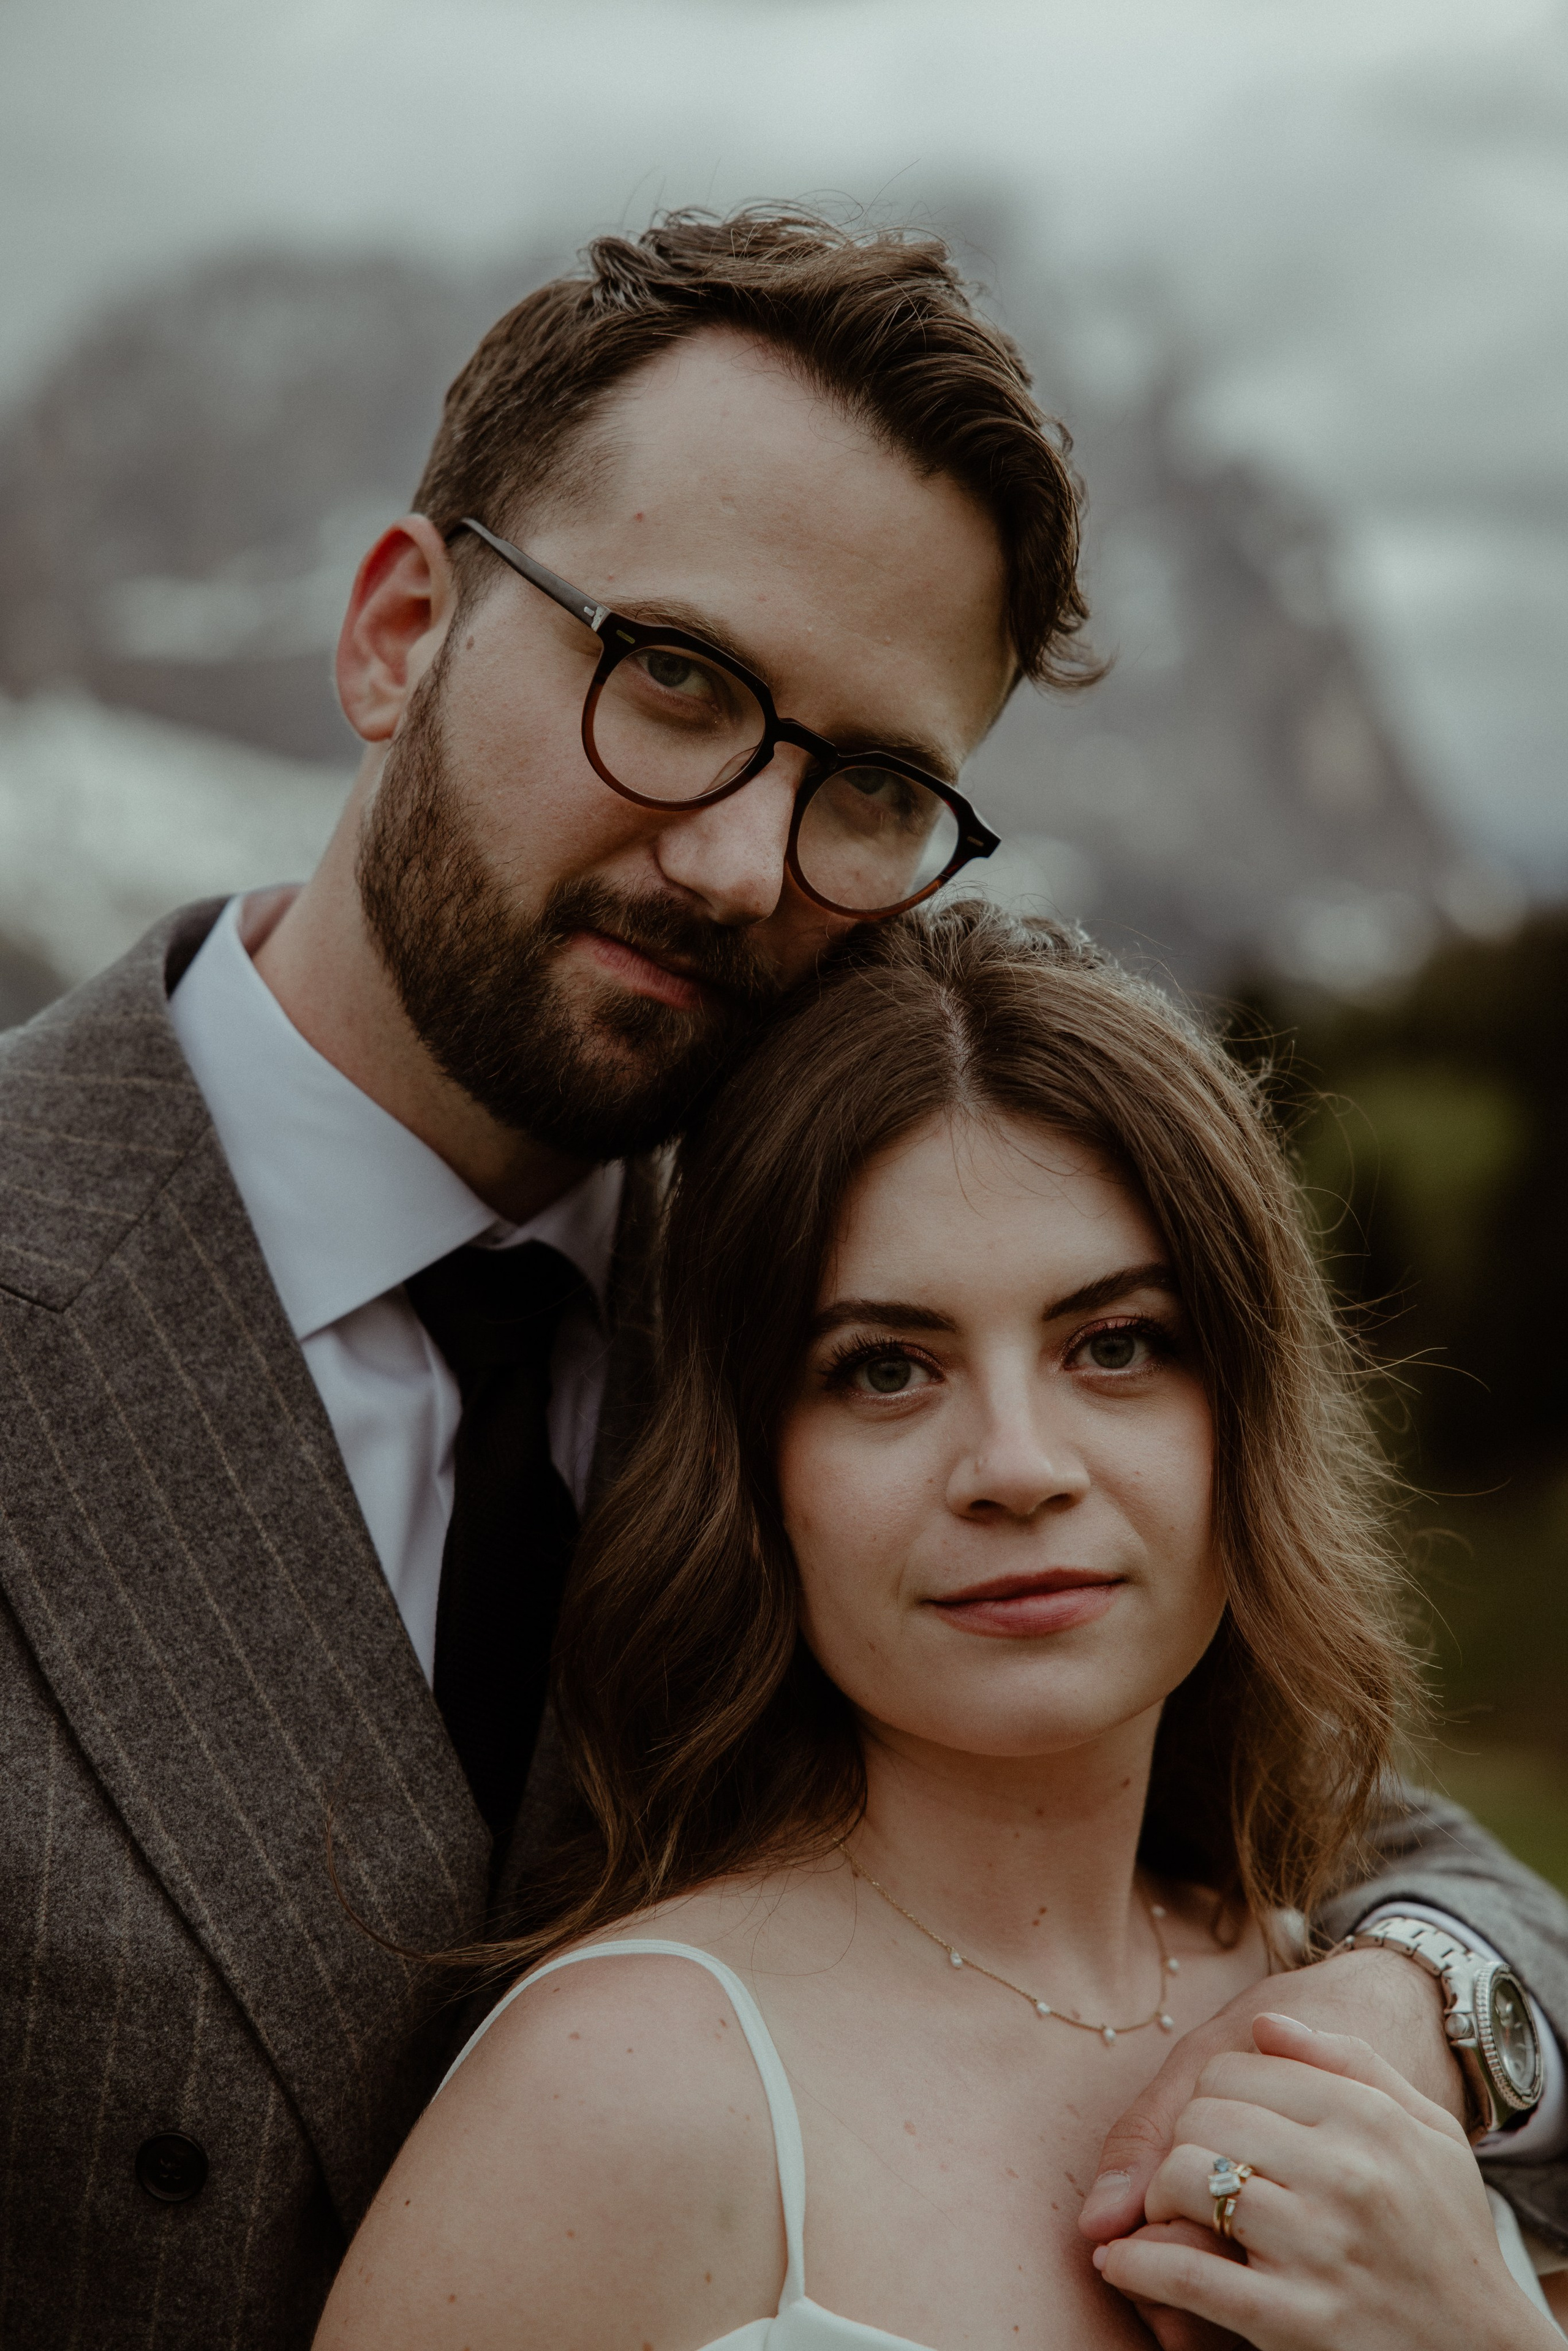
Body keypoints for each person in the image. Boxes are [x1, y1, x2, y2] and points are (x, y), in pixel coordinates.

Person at [0, 211, 1562, 2351]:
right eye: (676, 679)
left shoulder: (815, 1317)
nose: (740, 858)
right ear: (394, 631)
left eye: (871, 785)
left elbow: (1376, 1847)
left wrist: (1393, 2008)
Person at [311, 904, 1567, 2350]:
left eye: (1114, 1344)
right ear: (752, 1469)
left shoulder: (1382, 2028)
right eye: (884, 1368)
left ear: (1244, 1412)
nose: (1018, 1464)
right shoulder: (620, 2098)